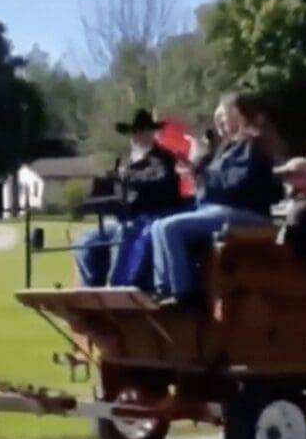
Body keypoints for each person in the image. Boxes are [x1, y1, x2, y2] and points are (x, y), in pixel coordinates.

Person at [150, 92, 285, 305]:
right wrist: (195, 169)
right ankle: (163, 289)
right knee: (157, 226)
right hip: (221, 209)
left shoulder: (253, 143)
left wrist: (201, 174)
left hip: (245, 212)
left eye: (223, 116)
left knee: (169, 228)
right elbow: (213, 181)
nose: (219, 123)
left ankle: (184, 295)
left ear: (238, 114)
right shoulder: (228, 147)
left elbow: (236, 183)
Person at [74, 109, 183, 288]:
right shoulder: (125, 161)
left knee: (124, 234)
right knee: (86, 241)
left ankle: (117, 287)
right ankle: (89, 290)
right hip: (123, 218)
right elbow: (115, 188)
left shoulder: (163, 159)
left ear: (151, 134)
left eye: (141, 132)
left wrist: (128, 175)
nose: (136, 137)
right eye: (134, 133)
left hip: (152, 216)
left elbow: (158, 179)